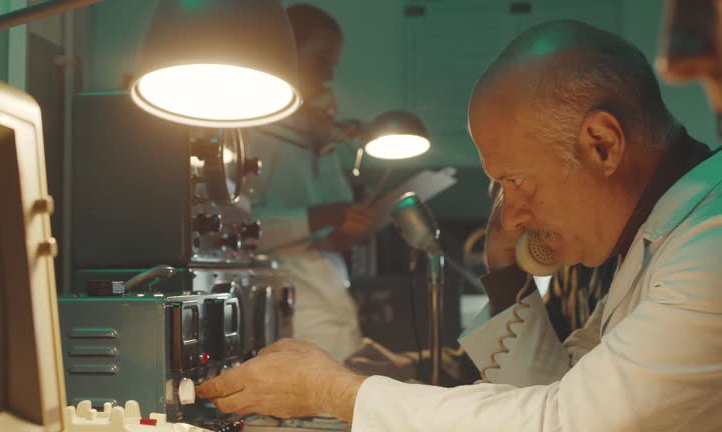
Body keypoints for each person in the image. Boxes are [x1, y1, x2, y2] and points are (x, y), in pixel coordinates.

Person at [198, 20, 722, 430]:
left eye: (517, 181)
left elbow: (568, 422)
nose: (511, 214)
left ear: (603, 144)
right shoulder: (656, 241)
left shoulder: (710, 242)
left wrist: (337, 393)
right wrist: (504, 273)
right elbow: (556, 389)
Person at [245, 4, 370, 362]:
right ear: (285, 56)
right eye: (321, 63)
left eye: (333, 66)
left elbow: (334, 215)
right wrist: (321, 217)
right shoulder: (253, 130)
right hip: (289, 307)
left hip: (333, 299)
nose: (329, 78)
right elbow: (243, 232)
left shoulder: (316, 133)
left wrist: (345, 227)